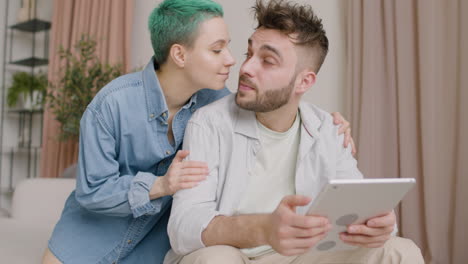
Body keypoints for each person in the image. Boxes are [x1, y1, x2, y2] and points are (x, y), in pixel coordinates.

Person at [42, 0, 353, 263]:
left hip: (152, 250)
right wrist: (160, 185)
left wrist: (328, 123)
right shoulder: (111, 105)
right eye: (217, 50)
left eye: (230, 48)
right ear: (180, 55)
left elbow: (271, 100)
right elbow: (91, 191)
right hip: (83, 246)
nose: (234, 62)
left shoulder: (217, 103)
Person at [165, 1, 425, 263]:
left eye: (267, 61)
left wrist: (380, 226)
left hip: (301, 257)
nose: (245, 68)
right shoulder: (209, 123)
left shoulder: (328, 129)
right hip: (236, 256)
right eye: (248, 54)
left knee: (401, 251)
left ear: (305, 81)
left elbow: (357, 206)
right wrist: (264, 229)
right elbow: (183, 227)